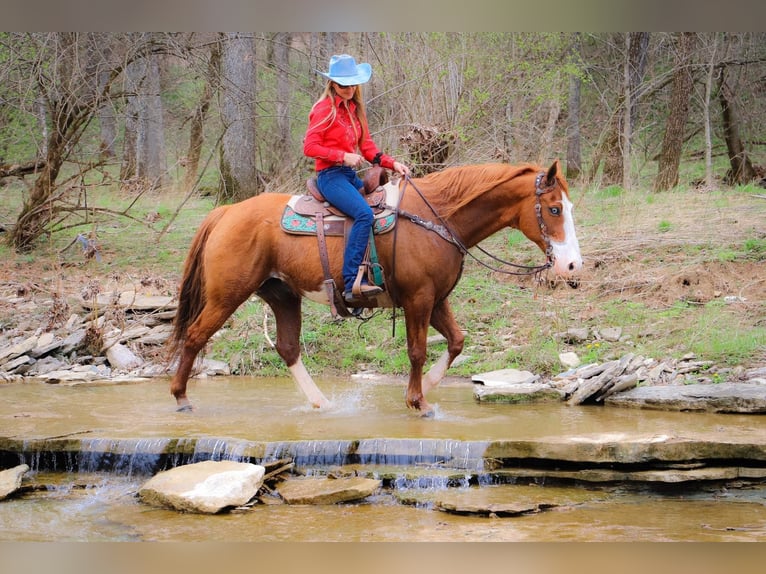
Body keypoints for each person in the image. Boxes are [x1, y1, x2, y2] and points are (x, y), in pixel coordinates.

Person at [304, 54, 410, 304]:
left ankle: (378, 268)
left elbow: (369, 148)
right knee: (363, 214)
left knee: (383, 206)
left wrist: (393, 163)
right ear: (332, 84)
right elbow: (310, 147)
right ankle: (352, 281)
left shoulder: (355, 110)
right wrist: (342, 156)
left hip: (349, 176)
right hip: (330, 176)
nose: (350, 89)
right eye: (344, 85)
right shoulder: (323, 110)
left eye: (353, 84)